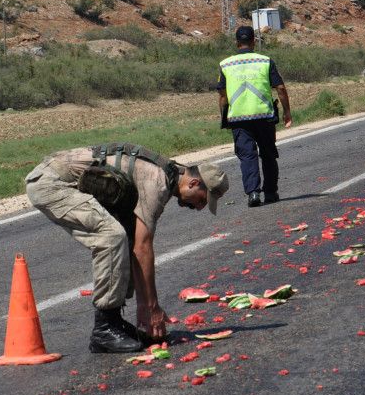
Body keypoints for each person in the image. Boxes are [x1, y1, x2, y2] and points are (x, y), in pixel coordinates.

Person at [25, 143, 229, 353]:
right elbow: (143, 249)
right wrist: (152, 308)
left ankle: (114, 321)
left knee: (126, 236)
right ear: (194, 183)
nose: (199, 207)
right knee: (112, 236)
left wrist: (146, 306)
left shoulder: (166, 176)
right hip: (50, 184)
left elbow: (137, 246)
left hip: (59, 180)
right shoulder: (157, 182)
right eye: (202, 200)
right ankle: (104, 329)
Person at [219, 26, 292, 208]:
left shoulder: (226, 65)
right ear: (253, 42)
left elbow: (222, 96)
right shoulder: (265, 61)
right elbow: (281, 88)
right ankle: (270, 192)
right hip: (264, 117)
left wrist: (224, 116)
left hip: (238, 119)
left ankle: (253, 193)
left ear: (237, 43)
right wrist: (287, 112)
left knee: (247, 156)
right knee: (268, 154)